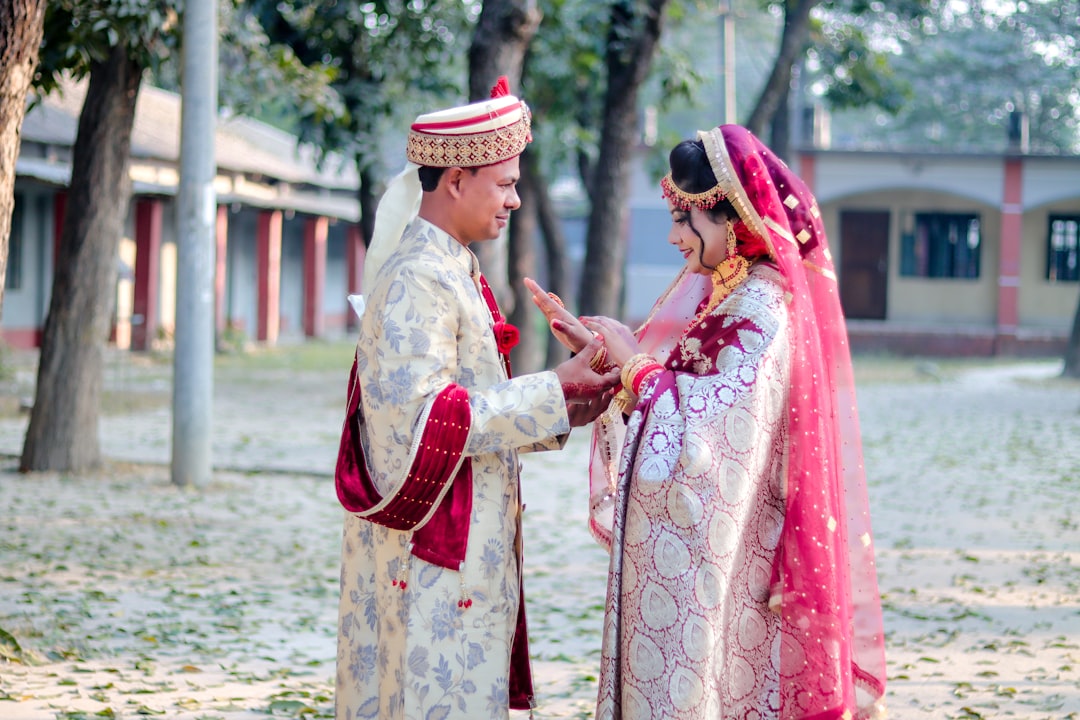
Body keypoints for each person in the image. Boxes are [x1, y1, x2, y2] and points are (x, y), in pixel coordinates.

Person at [526, 124, 888, 719]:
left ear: (735, 216)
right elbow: (682, 399)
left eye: (685, 216)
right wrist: (607, 358)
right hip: (708, 558)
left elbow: (703, 442)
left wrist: (634, 366)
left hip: (733, 563)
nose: (672, 236)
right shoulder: (731, 295)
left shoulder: (764, 308)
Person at [333, 77, 619, 719]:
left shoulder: (453, 268)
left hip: (467, 543)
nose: (517, 200)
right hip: (432, 554)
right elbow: (422, 419)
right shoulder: (417, 279)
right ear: (456, 179)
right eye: (506, 183)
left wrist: (573, 402)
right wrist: (555, 387)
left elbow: (474, 405)